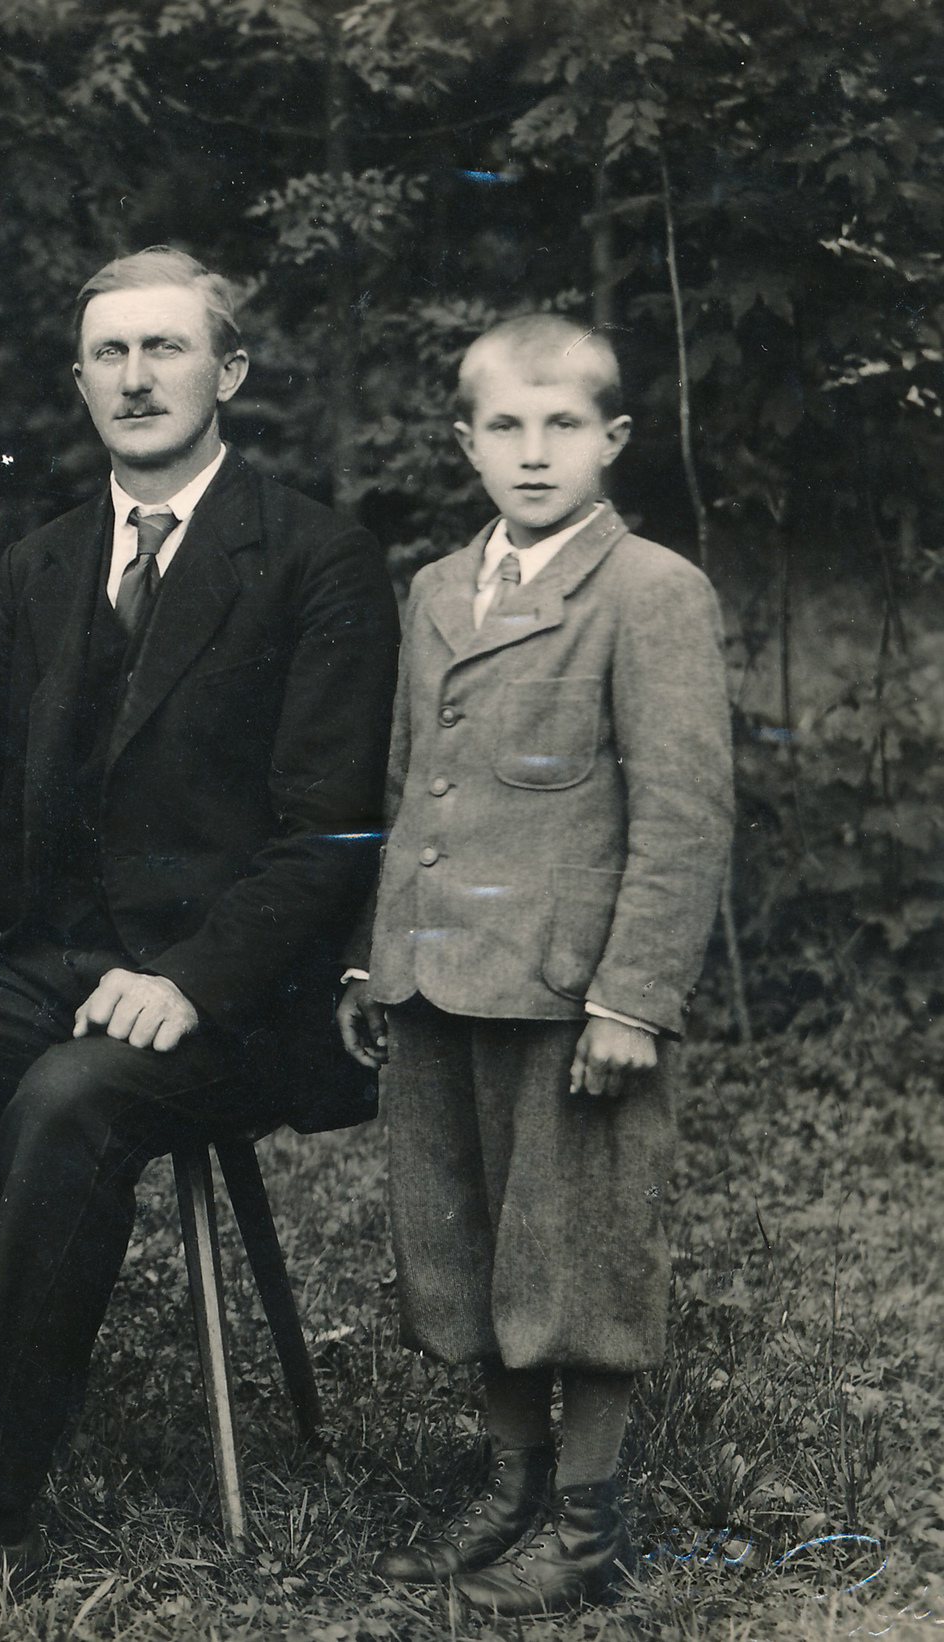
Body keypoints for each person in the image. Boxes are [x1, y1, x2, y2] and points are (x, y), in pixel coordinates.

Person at [0, 247, 400, 1636]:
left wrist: (193, 979)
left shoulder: (317, 558)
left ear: (229, 371)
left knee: (68, 1100)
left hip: (236, 996)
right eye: (109, 352)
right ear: (78, 379)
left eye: (165, 348)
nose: (135, 376)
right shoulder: (50, 560)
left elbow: (332, 835)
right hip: (51, 959)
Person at [336, 315, 733, 1616]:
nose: (534, 451)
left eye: (564, 424)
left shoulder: (649, 589)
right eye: (505, 425)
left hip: (570, 996)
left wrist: (633, 996)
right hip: (442, 975)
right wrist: (373, 959)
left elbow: (684, 812)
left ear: (613, 438)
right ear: (466, 442)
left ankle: (586, 1519)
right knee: (472, 1246)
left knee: (582, 1253)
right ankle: (509, 1486)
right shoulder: (440, 589)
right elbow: (414, 784)